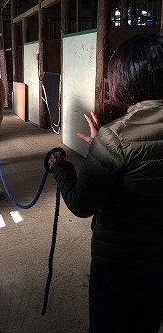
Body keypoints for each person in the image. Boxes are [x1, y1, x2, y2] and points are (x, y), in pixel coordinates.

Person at [49, 34, 163, 333]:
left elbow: (81, 204)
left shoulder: (116, 137)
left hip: (123, 265)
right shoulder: (112, 137)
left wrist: (62, 168)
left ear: (125, 80)